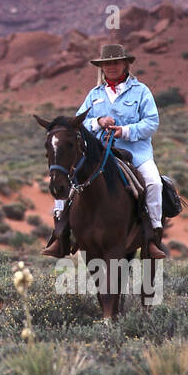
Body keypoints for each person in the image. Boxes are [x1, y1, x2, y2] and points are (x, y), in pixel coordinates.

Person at [43, 43, 166, 260]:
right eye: (106, 64)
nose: (111, 67)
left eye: (115, 62)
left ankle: (152, 236)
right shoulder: (94, 94)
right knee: (67, 183)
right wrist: (98, 122)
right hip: (99, 155)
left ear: (125, 64)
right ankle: (60, 235)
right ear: (101, 67)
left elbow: (151, 123)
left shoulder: (141, 92)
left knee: (154, 182)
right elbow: (76, 124)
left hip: (135, 153)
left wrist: (125, 131)